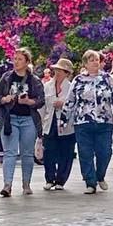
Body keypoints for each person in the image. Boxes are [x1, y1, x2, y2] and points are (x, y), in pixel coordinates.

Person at [65, 50, 113, 194]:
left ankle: (100, 175)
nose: (95, 62)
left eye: (97, 60)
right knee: (85, 153)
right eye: (92, 60)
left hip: (104, 121)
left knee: (105, 151)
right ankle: (90, 182)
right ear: (85, 64)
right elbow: (70, 100)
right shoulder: (78, 80)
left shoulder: (107, 78)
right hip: (83, 121)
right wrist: (64, 119)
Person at [0, 48, 45, 198]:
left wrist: (29, 101)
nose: (16, 62)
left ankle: (26, 184)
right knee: (10, 152)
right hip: (10, 119)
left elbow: (41, 101)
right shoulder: (6, 78)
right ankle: (7, 185)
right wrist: (5, 99)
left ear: (27, 62)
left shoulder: (34, 80)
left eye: (19, 59)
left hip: (28, 119)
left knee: (27, 154)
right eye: (15, 59)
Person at [40, 57, 78, 192]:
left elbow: (76, 105)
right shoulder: (47, 86)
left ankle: (61, 180)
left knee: (66, 153)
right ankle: (49, 179)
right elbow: (42, 106)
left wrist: (64, 104)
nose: (57, 73)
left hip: (67, 125)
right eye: (56, 70)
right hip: (50, 124)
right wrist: (40, 124)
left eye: (61, 71)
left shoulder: (72, 87)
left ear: (67, 73)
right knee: (49, 152)